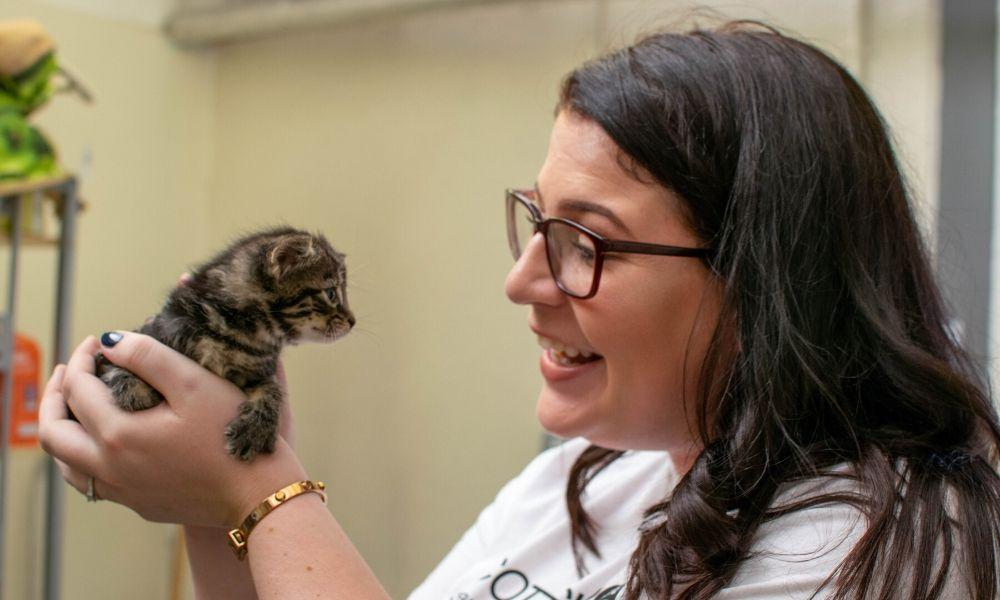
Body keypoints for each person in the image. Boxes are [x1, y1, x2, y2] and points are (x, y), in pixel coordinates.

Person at [38, 20, 1000, 600]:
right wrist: (218, 496)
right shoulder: (587, 481)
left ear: (763, 275)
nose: (523, 281)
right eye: (537, 221)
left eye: (590, 241)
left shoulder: (876, 546)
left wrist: (269, 495)